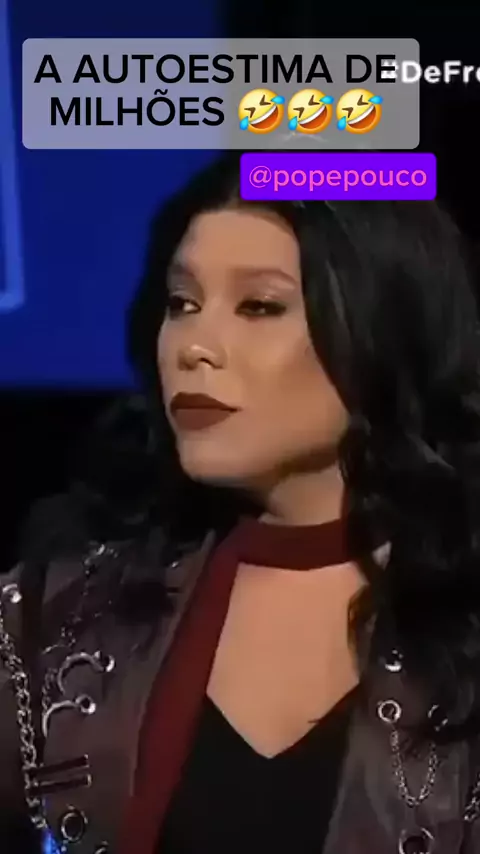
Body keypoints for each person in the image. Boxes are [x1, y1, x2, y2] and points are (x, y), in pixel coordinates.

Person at [1, 151, 480, 854]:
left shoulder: (462, 613)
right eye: (181, 303)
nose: (194, 346)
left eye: (259, 305)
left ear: (385, 328)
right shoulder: (57, 613)